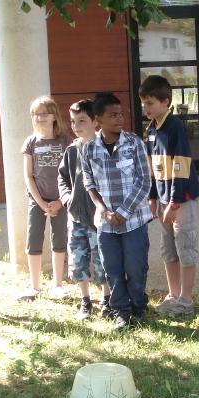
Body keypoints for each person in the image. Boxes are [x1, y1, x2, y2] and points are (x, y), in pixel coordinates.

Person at [82, 92, 152, 330]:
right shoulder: (89, 149)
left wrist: (122, 212)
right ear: (98, 119)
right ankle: (121, 311)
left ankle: (138, 306)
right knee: (112, 268)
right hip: (106, 223)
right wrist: (104, 211)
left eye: (121, 114)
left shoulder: (134, 143)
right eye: (113, 115)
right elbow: (89, 184)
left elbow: (144, 181)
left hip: (134, 220)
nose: (120, 119)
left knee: (135, 266)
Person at [140, 75, 199, 317]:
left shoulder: (175, 126)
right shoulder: (152, 128)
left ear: (166, 101)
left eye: (151, 103)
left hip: (181, 198)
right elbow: (152, 167)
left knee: (185, 246)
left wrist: (175, 201)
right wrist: (153, 196)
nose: (146, 108)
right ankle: (173, 293)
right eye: (144, 103)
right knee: (168, 249)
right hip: (164, 198)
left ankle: (185, 300)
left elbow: (181, 165)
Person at [58, 99, 111, 320]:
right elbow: (62, 178)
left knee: (102, 261)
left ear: (95, 122)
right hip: (76, 217)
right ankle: (85, 300)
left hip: (98, 219)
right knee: (78, 260)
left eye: (82, 121)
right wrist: (67, 199)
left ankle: (107, 299)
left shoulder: (104, 149)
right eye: (73, 122)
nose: (76, 126)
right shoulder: (72, 150)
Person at [20, 95, 73, 300]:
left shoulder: (66, 141)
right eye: (35, 114)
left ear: (54, 116)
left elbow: (71, 173)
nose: (39, 118)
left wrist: (60, 201)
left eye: (44, 113)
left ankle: (58, 284)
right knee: (34, 238)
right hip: (37, 200)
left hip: (61, 200)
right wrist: (41, 203)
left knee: (59, 240)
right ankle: (35, 286)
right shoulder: (30, 142)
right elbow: (28, 175)